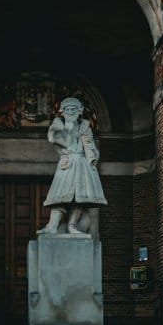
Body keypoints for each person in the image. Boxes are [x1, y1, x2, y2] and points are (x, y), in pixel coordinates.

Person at [38, 97, 107, 236]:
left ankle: (72, 226)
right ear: (62, 112)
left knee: (79, 197)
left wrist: (92, 155)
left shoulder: (85, 126)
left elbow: (92, 149)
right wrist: (68, 129)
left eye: (73, 109)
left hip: (82, 164)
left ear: (79, 111)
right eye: (67, 109)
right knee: (60, 196)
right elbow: (53, 137)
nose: (70, 112)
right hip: (67, 163)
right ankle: (52, 225)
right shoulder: (58, 123)